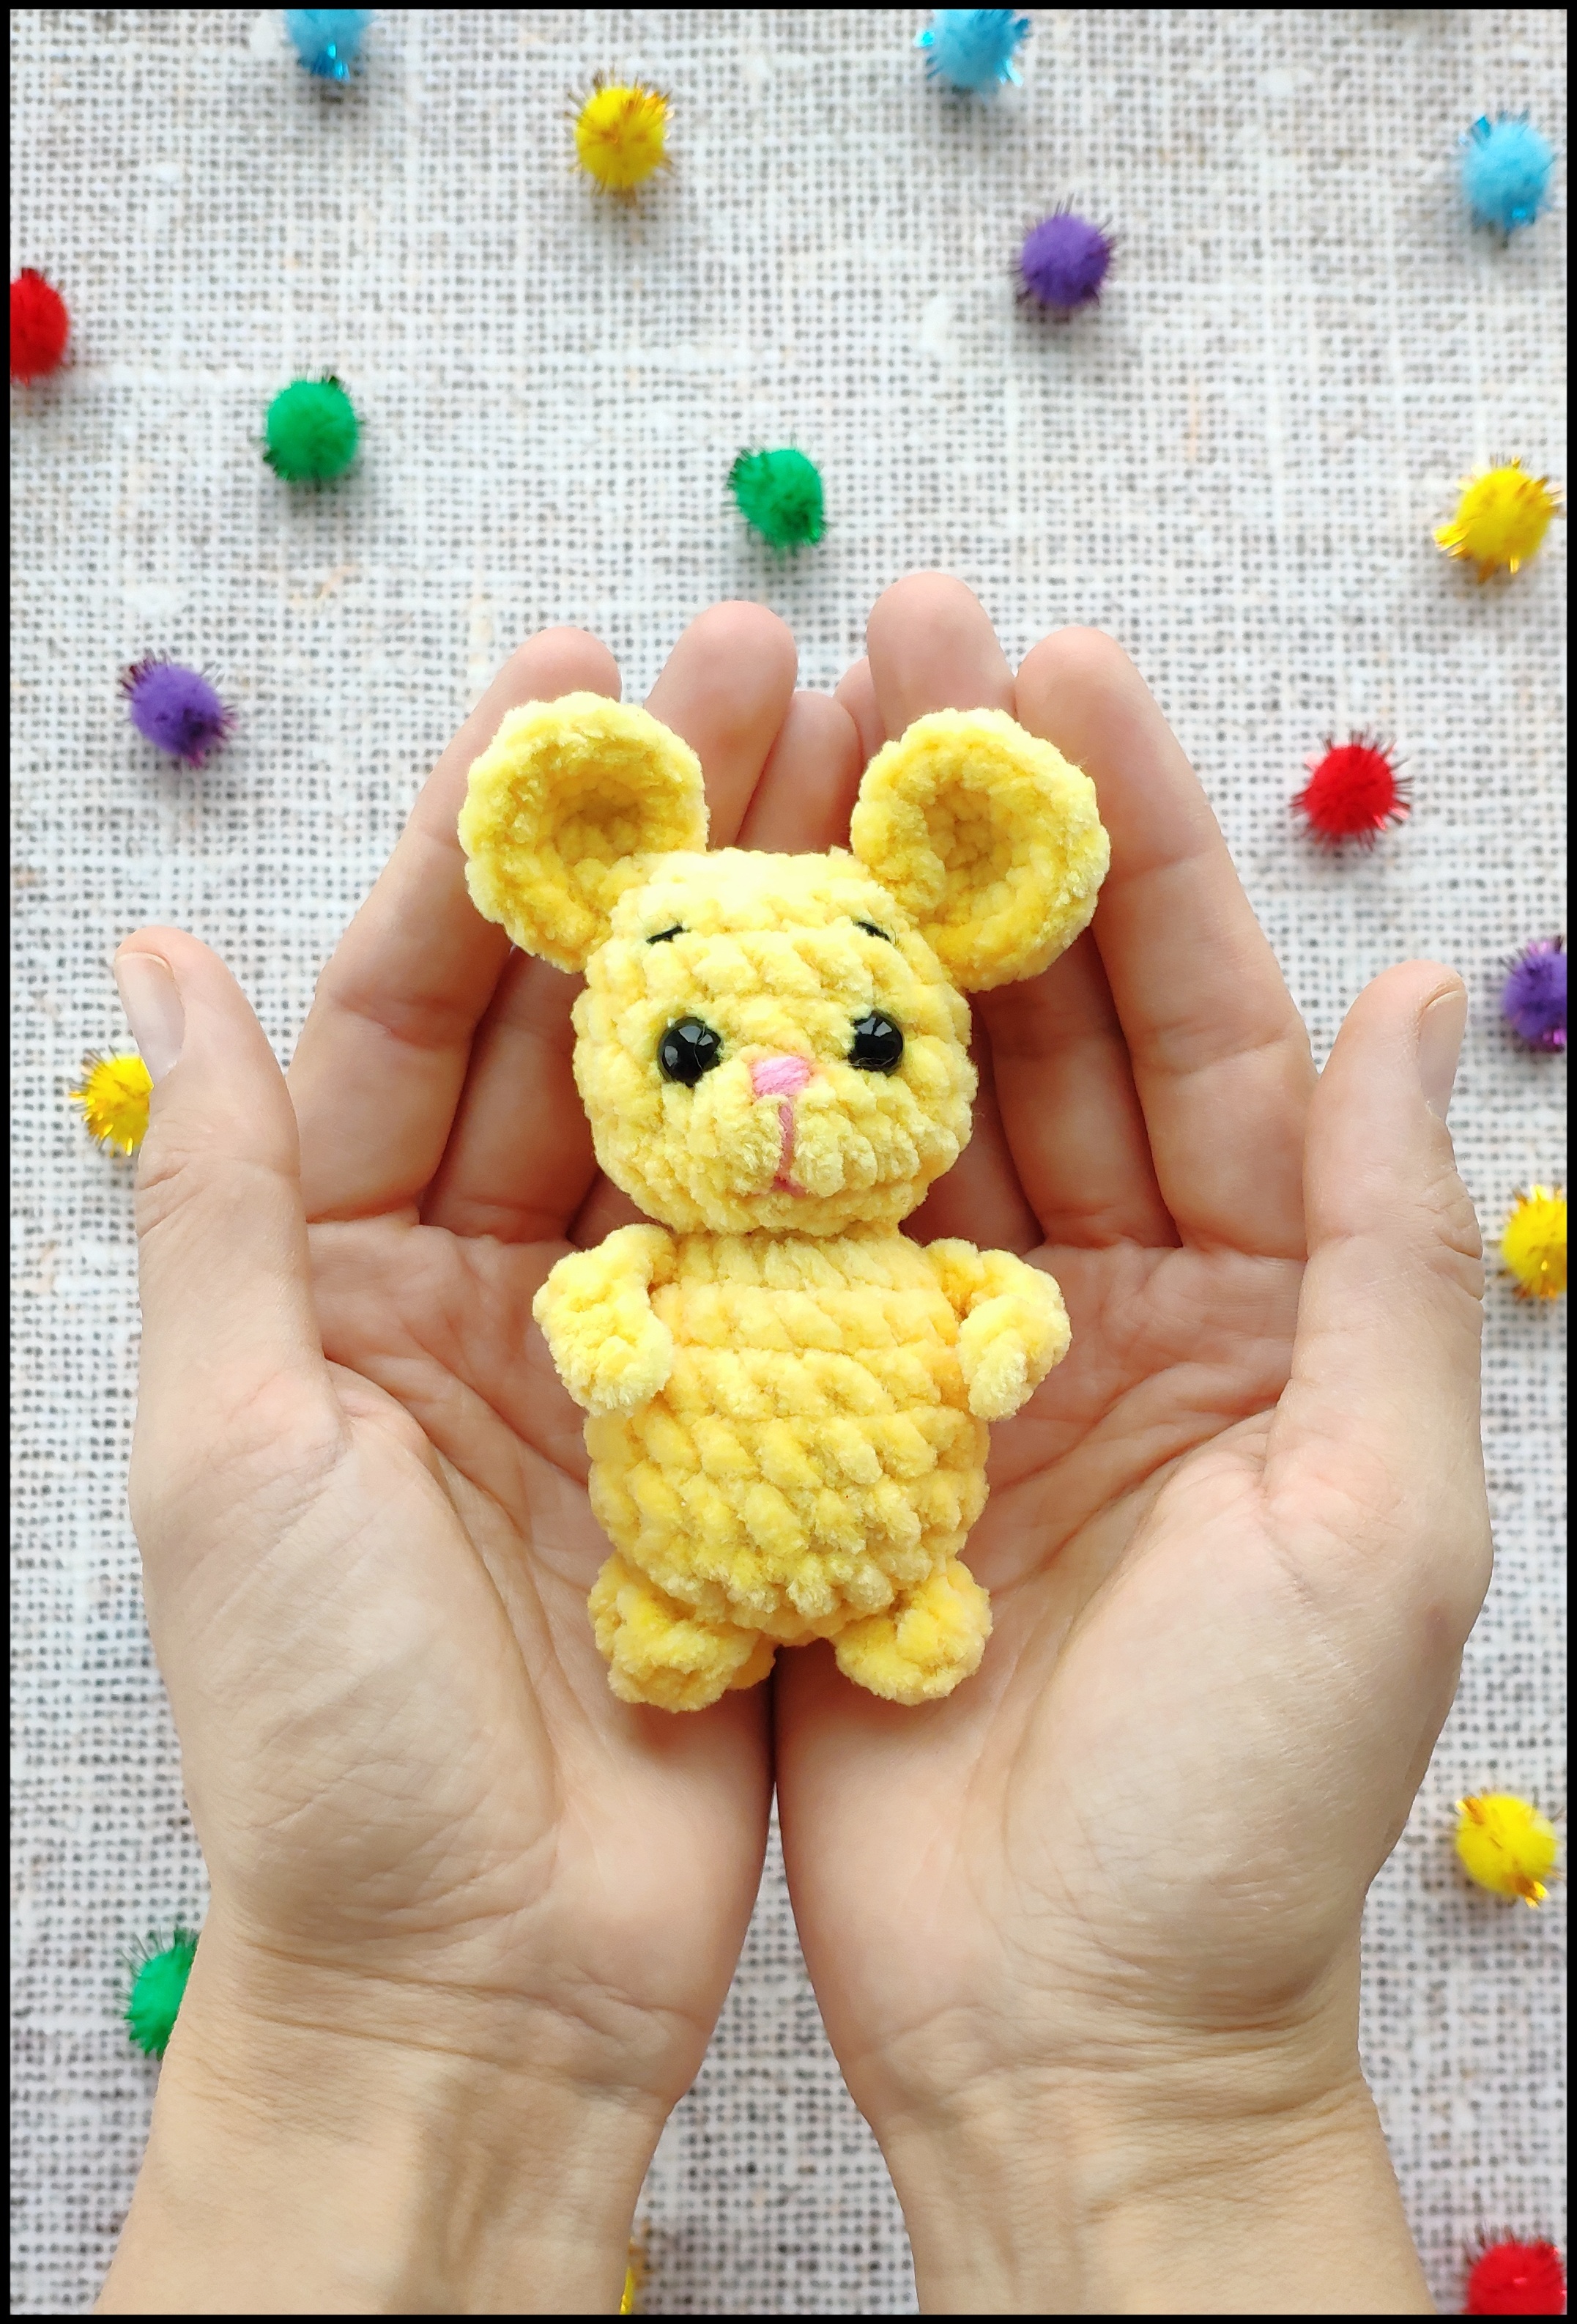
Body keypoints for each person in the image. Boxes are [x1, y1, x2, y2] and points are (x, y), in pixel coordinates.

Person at [94, 575, 1488, 2316]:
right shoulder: (650, 1253)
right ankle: (693, 1611)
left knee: (903, 1593)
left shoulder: (921, 1254)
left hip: (907, 1564)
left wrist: (1162, 2057)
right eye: (694, 1049)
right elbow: (598, 1305)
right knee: (675, 1606)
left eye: (866, 1042)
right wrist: (1167, 2109)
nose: (776, 1093)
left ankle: (888, 1606)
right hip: (675, 1563)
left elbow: (994, 1301)